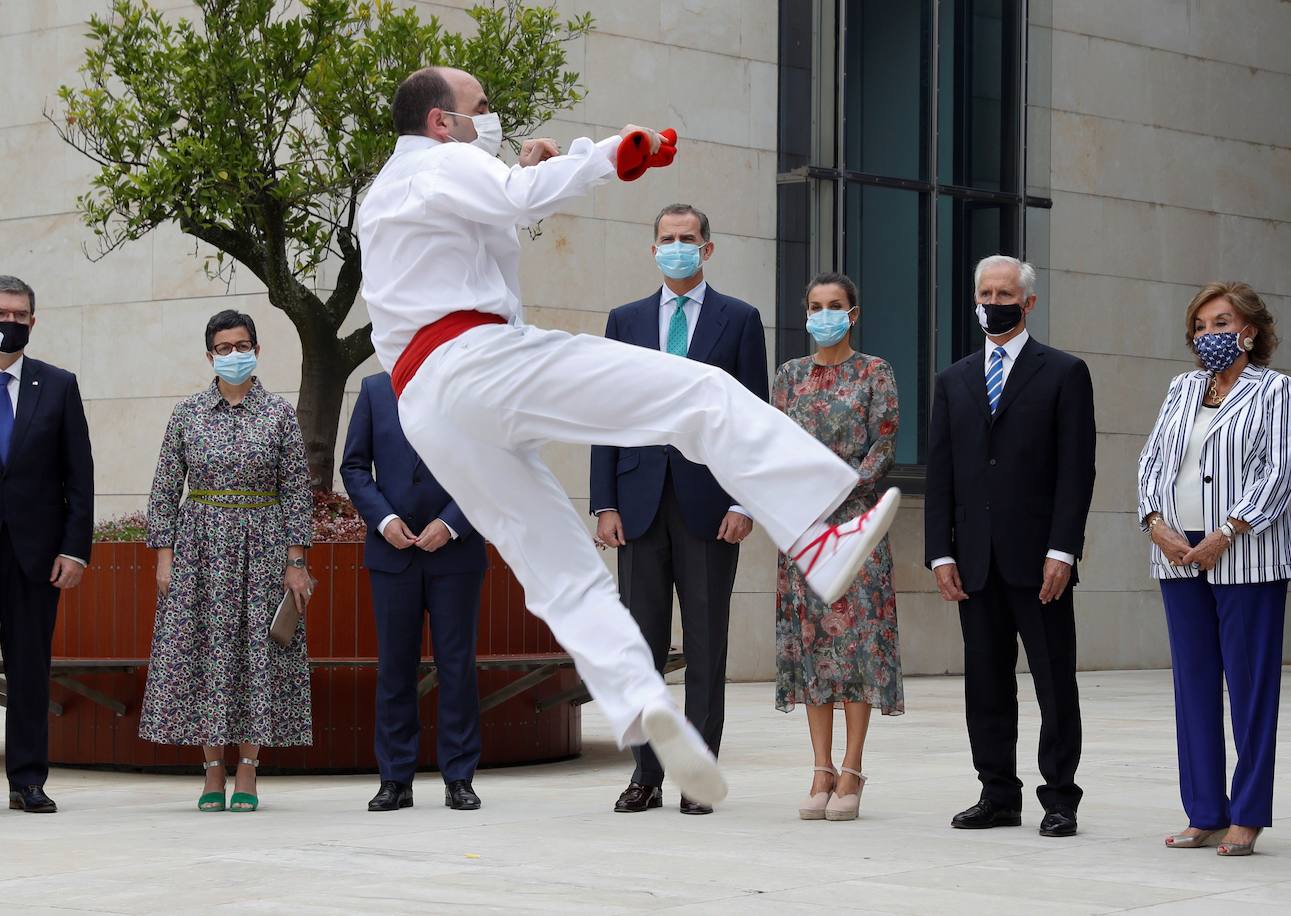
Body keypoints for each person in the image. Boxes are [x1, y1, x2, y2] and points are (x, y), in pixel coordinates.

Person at [358, 67, 898, 806]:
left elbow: (484, 221)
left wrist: (517, 171)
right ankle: (814, 531)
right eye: (481, 108)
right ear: (442, 123)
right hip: (474, 358)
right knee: (699, 394)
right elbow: (514, 200)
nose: (492, 117)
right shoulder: (446, 161)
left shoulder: (387, 193)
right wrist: (615, 154)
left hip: (425, 401)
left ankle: (639, 701)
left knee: (557, 565)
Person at [590, 203, 767, 817]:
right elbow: (606, 413)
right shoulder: (626, 320)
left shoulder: (740, 321)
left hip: (711, 506)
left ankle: (696, 772)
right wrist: (604, 500)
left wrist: (746, 499)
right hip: (637, 504)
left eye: (687, 239)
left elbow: (752, 419)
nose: (676, 247)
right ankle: (644, 775)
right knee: (638, 649)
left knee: (707, 647)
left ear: (707, 249)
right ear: (652, 247)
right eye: (666, 238)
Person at [925, 255, 1096, 839]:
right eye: (984, 292)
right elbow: (941, 473)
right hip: (974, 561)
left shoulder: (1064, 373)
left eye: (1005, 293)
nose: (993, 301)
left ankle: (1059, 798)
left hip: (1039, 560)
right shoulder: (953, 380)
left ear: (1028, 303)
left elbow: (1077, 473)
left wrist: (1064, 550)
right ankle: (998, 793)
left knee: (1053, 681)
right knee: (986, 683)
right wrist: (940, 553)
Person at [1138, 281, 1291, 857]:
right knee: (1194, 687)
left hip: (1248, 560)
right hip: (1177, 559)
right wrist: (1155, 521)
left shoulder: (1276, 389)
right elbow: (1153, 459)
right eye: (1201, 327)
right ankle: (1204, 809)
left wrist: (1225, 533)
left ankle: (1248, 813)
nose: (1210, 335)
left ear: (1250, 330)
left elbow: (1277, 473)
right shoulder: (1182, 388)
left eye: (1222, 323)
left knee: (1251, 689)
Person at [140, 310, 315, 813]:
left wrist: (296, 560)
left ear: (257, 350)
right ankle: (212, 769)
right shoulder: (187, 414)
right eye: (223, 347)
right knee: (206, 654)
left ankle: (248, 770)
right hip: (199, 551)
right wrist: (164, 557)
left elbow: (297, 492)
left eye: (242, 345)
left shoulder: (278, 415)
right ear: (210, 354)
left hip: (263, 547)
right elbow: (165, 490)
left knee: (256, 657)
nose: (233, 354)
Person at [773, 273, 901, 823]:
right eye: (816, 306)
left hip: (856, 525)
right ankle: (820, 769)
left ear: (853, 313)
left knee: (857, 648)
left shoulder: (875, 372)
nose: (825, 313)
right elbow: (772, 444)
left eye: (836, 305)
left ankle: (852, 768)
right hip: (802, 526)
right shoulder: (788, 376)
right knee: (813, 650)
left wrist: (840, 486)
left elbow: (885, 442)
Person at [341, 372, 488, 813]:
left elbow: (488, 466)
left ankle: (460, 777)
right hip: (392, 553)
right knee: (395, 668)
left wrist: (451, 523)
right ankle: (394, 779)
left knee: (457, 667)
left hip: (456, 552)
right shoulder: (373, 389)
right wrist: (384, 520)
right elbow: (354, 466)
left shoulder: (468, 384)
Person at [0, 275, 94, 814]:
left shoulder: (57, 385)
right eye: (3, 313)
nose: (10, 323)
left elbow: (78, 475)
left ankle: (28, 780)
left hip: (35, 557)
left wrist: (75, 548)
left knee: (30, 669)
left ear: (33, 322)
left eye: (19, 315)